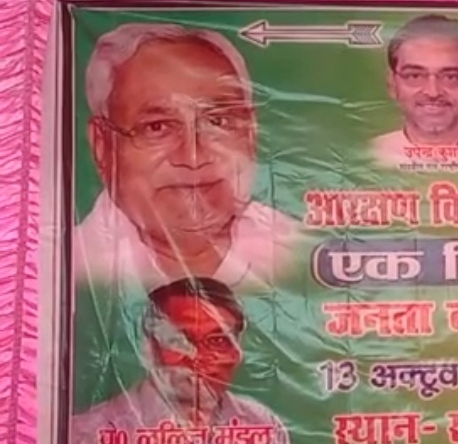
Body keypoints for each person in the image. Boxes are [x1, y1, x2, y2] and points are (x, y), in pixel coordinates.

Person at [73, 23, 302, 290]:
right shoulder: (63, 269)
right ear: (102, 146)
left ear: (251, 134)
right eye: (157, 127)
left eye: (218, 121)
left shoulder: (305, 255)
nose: (193, 157)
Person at [68, 277, 294, 444]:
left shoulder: (264, 427)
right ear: (149, 348)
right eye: (178, 341)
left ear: (236, 352)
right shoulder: (88, 436)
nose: (198, 357)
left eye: (217, 341)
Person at [373, 14, 458, 171]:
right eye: (415, 76)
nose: (433, 92)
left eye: (450, 77)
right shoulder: (371, 155)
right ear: (392, 84)